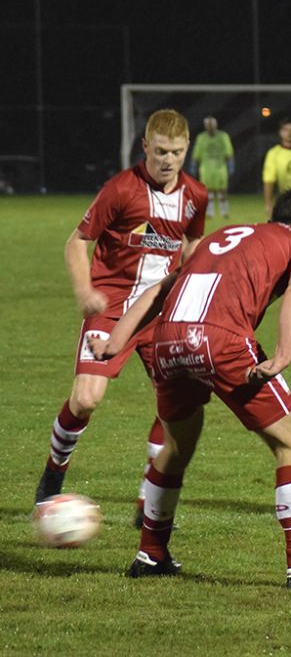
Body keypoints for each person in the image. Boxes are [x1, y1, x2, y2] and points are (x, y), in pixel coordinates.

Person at [89, 190, 291, 590]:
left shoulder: (222, 235)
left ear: (272, 215)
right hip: (221, 340)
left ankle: (151, 553)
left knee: (177, 447)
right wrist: (283, 354)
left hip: (166, 339)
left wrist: (115, 340)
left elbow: (160, 290)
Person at [34, 109, 207, 525]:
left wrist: (192, 284)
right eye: (161, 151)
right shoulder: (121, 189)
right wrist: (84, 290)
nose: (168, 160)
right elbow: (76, 242)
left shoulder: (195, 195)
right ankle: (53, 475)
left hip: (160, 312)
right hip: (111, 304)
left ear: (187, 151)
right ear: (145, 146)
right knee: (86, 398)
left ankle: (148, 498)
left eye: (177, 153)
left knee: (177, 405)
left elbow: (194, 240)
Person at [191, 116, 235, 219]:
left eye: (212, 125)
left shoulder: (223, 136)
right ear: (205, 126)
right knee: (207, 192)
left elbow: (229, 152)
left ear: (216, 125)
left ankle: (224, 212)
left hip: (220, 169)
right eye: (208, 125)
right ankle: (209, 213)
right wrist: (193, 165)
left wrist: (231, 164)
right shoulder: (201, 137)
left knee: (222, 191)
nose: (210, 127)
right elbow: (196, 153)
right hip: (206, 169)